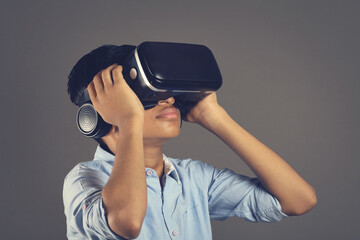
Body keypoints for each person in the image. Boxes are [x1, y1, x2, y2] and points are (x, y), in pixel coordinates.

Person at [63, 44, 317, 240]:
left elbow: (299, 200)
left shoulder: (194, 178)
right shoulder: (83, 179)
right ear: (93, 116)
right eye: (145, 93)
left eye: (165, 89)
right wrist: (129, 118)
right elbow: (126, 221)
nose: (167, 99)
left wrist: (216, 117)